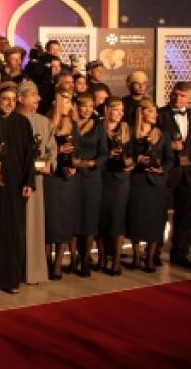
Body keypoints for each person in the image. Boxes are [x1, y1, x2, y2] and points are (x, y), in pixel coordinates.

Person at [0, 82, 35, 293]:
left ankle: (10, 279)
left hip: (15, 185)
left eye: (13, 100)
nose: (9, 104)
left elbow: (29, 155)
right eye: (5, 99)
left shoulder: (22, 122)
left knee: (12, 232)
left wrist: (29, 182)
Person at [127, 99, 175, 272]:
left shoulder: (162, 134)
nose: (155, 114)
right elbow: (126, 155)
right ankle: (136, 256)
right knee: (135, 219)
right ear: (141, 112)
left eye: (156, 111)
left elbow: (170, 159)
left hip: (156, 184)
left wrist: (161, 169)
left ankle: (150, 258)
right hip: (137, 183)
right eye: (151, 111)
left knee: (155, 221)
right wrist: (137, 159)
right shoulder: (131, 133)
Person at [158, 81, 191, 269]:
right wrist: (168, 146)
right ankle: (153, 252)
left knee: (186, 215)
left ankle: (179, 254)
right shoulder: (159, 114)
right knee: (159, 214)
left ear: (190, 97)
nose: (177, 98)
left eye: (182, 95)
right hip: (166, 173)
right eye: (175, 94)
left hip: (189, 174)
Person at [16, 81, 54, 285]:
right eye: (33, 95)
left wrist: (50, 164)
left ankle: (34, 272)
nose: (38, 98)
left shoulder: (43, 121)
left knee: (34, 226)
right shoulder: (11, 120)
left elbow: (51, 149)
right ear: (20, 98)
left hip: (37, 181)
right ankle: (14, 271)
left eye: (38, 94)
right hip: (16, 181)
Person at [70, 92, 108, 277]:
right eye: (83, 105)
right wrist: (73, 163)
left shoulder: (99, 126)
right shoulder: (69, 124)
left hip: (92, 177)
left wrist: (92, 163)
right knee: (73, 217)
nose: (86, 109)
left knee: (90, 218)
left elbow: (104, 153)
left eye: (90, 106)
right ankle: (73, 258)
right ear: (76, 106)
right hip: (72, 176)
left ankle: (85, 259)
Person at [44, 91, 79, 279]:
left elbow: (77, 152)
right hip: (50, 178)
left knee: (64, 222)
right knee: (49, 222)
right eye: (66, 102)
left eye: (71, 102)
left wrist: (73, 166)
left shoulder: (73, 125)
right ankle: (46, 262)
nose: (70, 105)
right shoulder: (45, 123)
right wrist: (58, 150)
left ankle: (58, 264)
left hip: (66, 180)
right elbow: (40, 153)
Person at [99, 97, 133, 275]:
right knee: (101, 218)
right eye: (116, 109)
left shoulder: (126, 129)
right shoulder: (98, 128)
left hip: (120, 180)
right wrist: (108, 155)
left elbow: (133, 154)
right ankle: (102, 258)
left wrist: (129, 163)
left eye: (122, 110)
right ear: (107, 110)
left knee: (117, 219)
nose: (120, 113)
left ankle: (117, 261)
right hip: (101, 178)